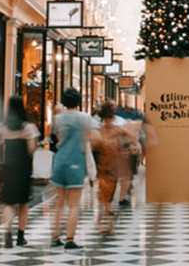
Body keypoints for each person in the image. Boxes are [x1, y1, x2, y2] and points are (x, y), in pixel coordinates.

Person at [50, 86, 94, 249]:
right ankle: (69, 239)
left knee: (59, 204)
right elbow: (89, 138)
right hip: (76, 162)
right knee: (74, 205)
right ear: (79, 102)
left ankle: (55, 237)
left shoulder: (58, 119)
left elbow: (57, 137)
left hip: (60, 162)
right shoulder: (85, 118)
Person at [0, 95, 39, 248]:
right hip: (23, 169)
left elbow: (1, 146)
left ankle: (7, 231)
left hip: (8, 168)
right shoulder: (28, 128)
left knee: (8, 202)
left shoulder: (3, 127)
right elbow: (31, 149)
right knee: (23, 203)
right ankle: (21, 236)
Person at [90, 101, 130, 234]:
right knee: (105, 195)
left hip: (112, 167)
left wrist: (125, 150)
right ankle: (109, 224)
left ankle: (101, 221)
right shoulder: (100, 131)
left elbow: (130, 138)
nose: (109, 121)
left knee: (108, 196)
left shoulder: (114, 130)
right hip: (103, 167)